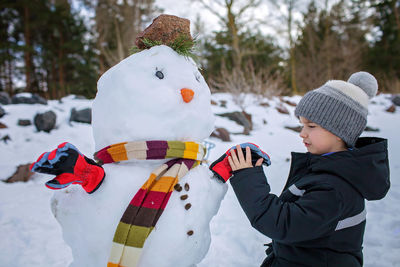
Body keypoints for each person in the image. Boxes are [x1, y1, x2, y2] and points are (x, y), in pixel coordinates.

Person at [219, 72, 390, 266]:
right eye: (302, 125)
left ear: (340, 132)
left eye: (311, 126)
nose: (302, 133)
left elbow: (283, 223)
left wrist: (247, 178)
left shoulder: (336, 189)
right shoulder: (328, 170)